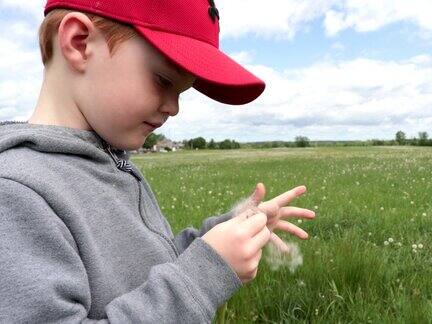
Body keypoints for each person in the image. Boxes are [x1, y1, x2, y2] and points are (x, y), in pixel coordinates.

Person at [0, 0, 316, 322]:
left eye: (183, 91)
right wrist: (203, 276)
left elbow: (144, 270)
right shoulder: (16, 196)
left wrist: (222, 238)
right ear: (80, 42)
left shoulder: (110, 159)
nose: (174, 107)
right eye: (163, 80)